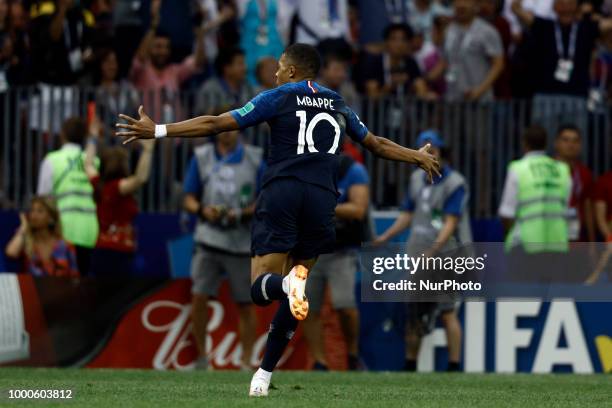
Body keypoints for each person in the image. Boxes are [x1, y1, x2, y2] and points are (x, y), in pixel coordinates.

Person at [115, 43, 440, 397]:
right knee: (298, 283)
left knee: (262, 287)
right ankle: (263, 377)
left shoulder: (279, 96)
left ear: (293, 72)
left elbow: (217, 122)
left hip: (283, 193)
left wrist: (159, 130)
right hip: (322, 200)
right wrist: (415, 156)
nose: (274, 73)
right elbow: (375, 143)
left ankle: (283, 289)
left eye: (279, 67)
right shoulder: (338, 103)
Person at [374, 130, 470, 372]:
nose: (428, 155)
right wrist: (385, 237)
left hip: (445, 255)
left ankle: (454, 365)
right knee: (414, 310)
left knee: (447, 311)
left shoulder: (454, 182)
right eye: (424, 150)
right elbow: (408, 214)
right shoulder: (416, 179)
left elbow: (451, 221)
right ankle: (410, 363)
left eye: (433, 150)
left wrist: (434, 250)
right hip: (419, 254)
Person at [183, 127, 264, 370]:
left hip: (241, 240)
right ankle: (201, 358)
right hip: (208, 238)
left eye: (230, 129)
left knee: (246, 303)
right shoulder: (202, 156)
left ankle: (247, 361)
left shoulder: (255, 158)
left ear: (239, 132)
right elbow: (188, 197)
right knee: (199, 297)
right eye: (221, 129)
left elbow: (265, 197)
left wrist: (242, 213)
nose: (226, 134)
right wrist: (201, 210)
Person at [303, 154, 369, 371]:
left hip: (341, 249)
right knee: (308, 308)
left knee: (345, 306)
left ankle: (352, 355)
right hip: (312, 248)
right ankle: (319, 362)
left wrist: (323, 207)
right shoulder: (309, 165)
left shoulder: (353, 169)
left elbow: (358, 209)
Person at [511, 0, 612, 124]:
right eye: (561, 1)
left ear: (577, 6)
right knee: (545, 138)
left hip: (577, 95)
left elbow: (608, 24)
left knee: (573, 139)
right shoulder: (544, 26)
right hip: (546, 95)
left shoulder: (587, 27)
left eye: (570, 1)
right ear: (554, 6)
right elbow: (516, 9)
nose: (565, 4)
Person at [499, 125, 572, 282]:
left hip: (525, 245)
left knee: (524, 300)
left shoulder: (518, 168)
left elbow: (507, 212)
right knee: (552, 300)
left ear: (524, 143)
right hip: (557, 245)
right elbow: (565, 207)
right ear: (547, 144)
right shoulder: (562, 170)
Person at [84, 118, 155, 276]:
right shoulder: (118, 188)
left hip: (100, 250)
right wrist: (148, 150)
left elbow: (88, 164)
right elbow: (140, 178)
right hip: (119, 253)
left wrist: (93, 138)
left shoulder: (99, 184)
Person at [37, 117, 99, 276]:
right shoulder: (93, 162)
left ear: (62, 135)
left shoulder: (52, 159)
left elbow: (43, 198)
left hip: (62, 229)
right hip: (89, 230)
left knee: (61, 284)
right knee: (85, 283)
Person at [129, 0, 206, 120]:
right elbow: (140, 57)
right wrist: (153, 25)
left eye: (166, 47)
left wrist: (199, 28)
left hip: (174, 135)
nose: (163, 52)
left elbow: (198, 62)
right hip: (149, 135)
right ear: (150, 48)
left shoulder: (174, 71)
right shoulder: (142, 71)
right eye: (158, 47)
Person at [429, 0, 504, 101]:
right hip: (453, 99)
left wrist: (480, 90)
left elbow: (498, 64)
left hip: (479, 99)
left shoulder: (488, 31)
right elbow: (444, 62)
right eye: (457, 2)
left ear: (475, 5)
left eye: (466, 1)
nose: (461, 5)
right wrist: (425, 80)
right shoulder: (448, 30)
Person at [5, 196, 79, 277]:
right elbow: (11, 252)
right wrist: (24, 227)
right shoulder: (27, 240)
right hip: (31, 288)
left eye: (40, 211)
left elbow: (74, 276)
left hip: (60, 288)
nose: (33, 215)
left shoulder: (65, 245)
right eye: (32, 210)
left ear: (51, 217)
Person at [362, 23, 435, 99]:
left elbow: (421, 88)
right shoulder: (375, 62)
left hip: (405, 109)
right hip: (380, 110)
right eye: (394, 39)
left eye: (403, 39)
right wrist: (392, 85)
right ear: (386, 42)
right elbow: (372, 96)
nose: (399, 44)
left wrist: (418, 90)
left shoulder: (411, 62)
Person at [553, 124, 595, 242]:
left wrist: (592, 243)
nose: (571, 145)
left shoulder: (584, 173)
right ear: (556, 143)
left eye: (575, 141)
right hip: (551, 238)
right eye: (565, 140)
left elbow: (587, 207)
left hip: (577, 240)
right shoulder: (548, 170)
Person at [197, 48, 256, 114]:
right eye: (240, 63)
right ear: (227, 68)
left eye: (244, 63)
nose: (245, 67)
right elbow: (204, 117)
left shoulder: (248, 87)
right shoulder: (209, 89)